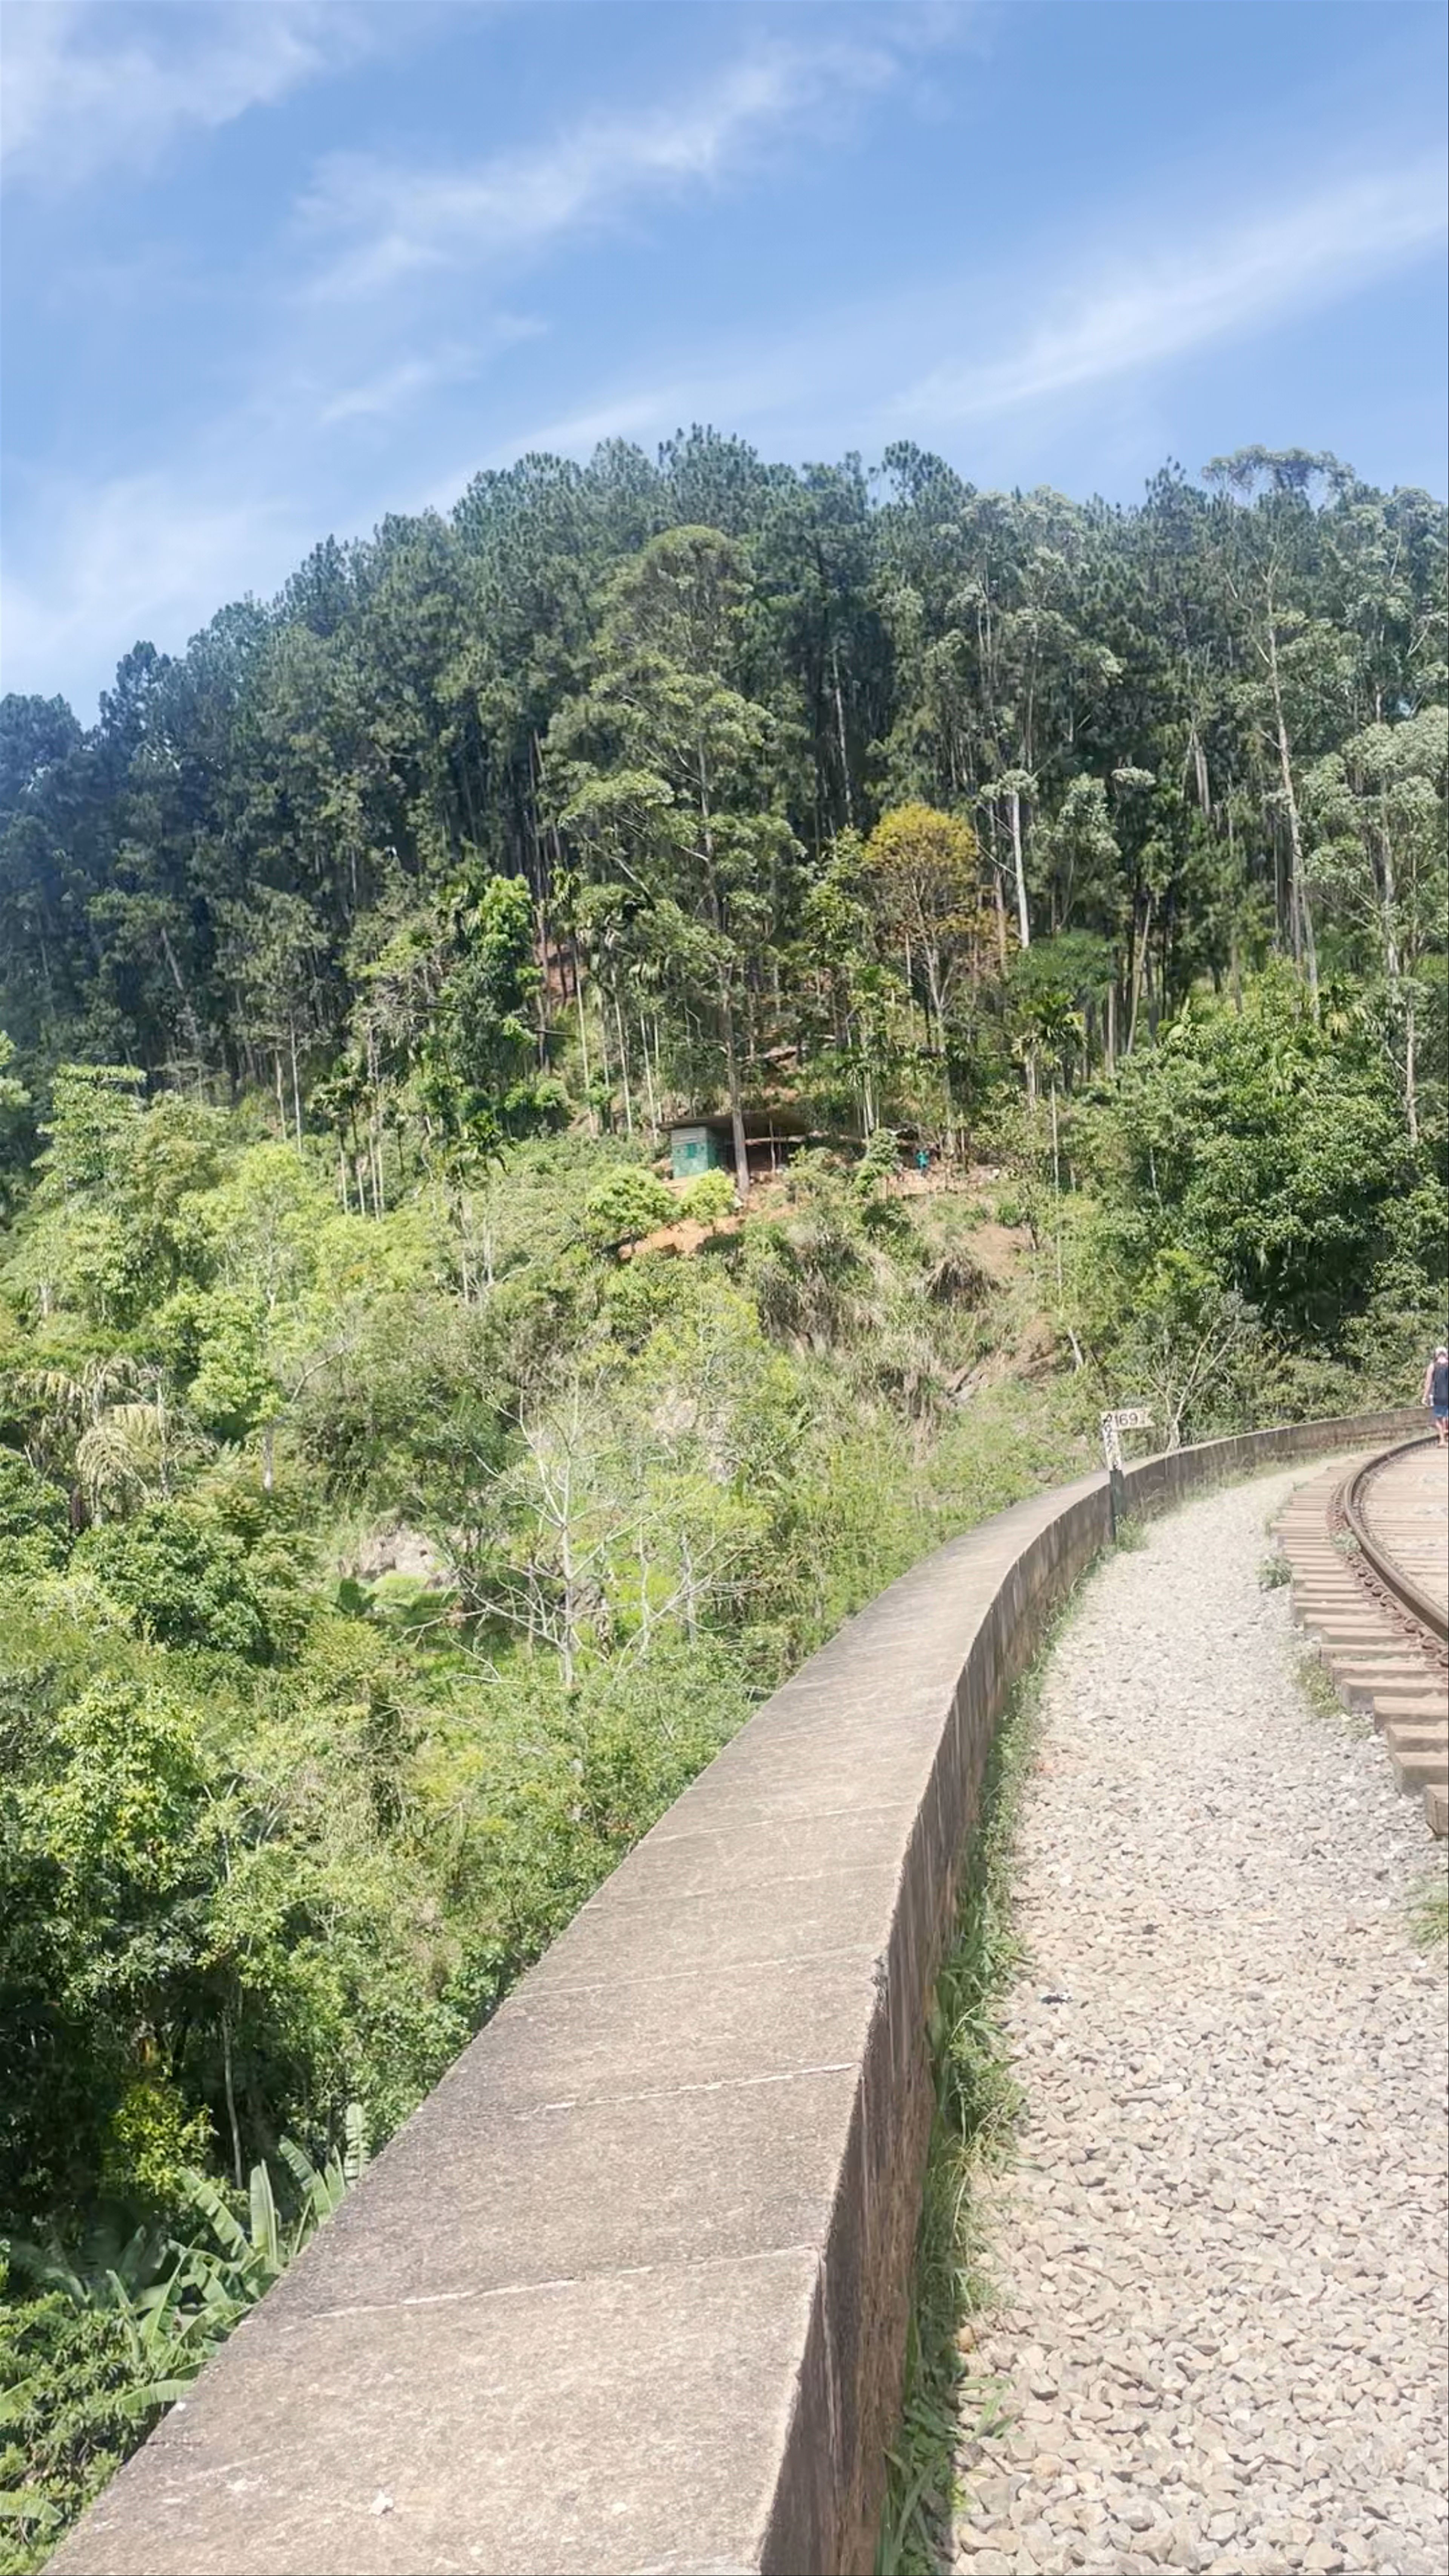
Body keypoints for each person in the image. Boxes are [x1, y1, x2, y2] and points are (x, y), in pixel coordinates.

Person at [1423, 1344, 1449, 1449]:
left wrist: (1425, 1396)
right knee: (1446, 1417)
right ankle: (1447, 1431)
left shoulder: (1432, 1366)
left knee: (1439, 1419)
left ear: (1436, 1355)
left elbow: (1428, 1382)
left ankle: (1442, 1441)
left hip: (1438, 1396)